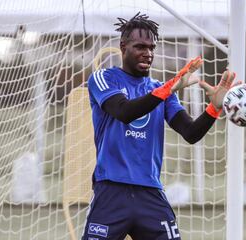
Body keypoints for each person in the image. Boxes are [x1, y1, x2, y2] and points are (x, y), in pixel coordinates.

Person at [82, 12, 236, 240]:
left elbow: (191, 133)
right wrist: (169, 88)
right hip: (112, 191)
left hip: (150, 193)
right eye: (140, 46)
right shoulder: (104, 78)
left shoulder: (161, 90)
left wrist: (214, 108)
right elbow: (124, 111)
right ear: (123, 47)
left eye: (152, 47)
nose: (148, 53)